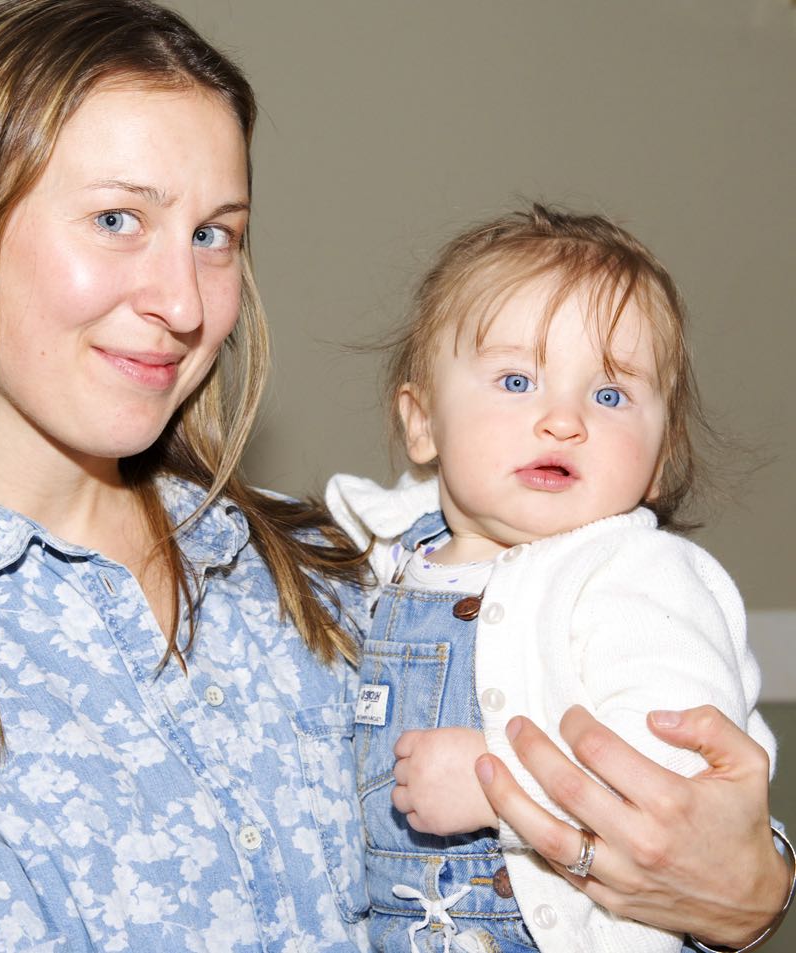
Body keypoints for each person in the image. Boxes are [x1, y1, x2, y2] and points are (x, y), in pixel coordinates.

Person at [0, 2, 789, 950]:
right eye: (117, 219)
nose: (183, 302)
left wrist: (749, 886)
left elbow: (602, 851)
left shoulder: (330, 568)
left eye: (213, 235)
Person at [326, 205, 790, 953]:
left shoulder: (638, 578)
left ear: (660, 457)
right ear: (422, 423)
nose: (564, 420)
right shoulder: (393, 555)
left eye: (609, 396)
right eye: (517, 379)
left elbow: (679, 777)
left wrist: (497, 784)